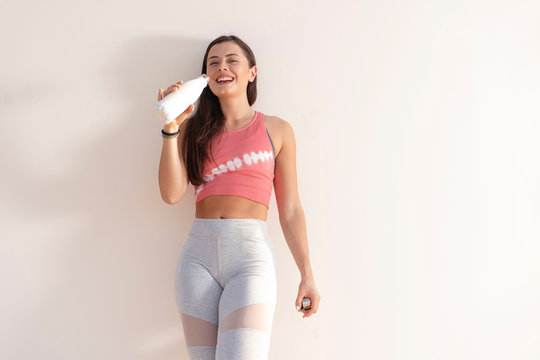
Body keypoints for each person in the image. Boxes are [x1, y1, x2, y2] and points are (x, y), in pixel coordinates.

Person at [157, 34, 321, 360]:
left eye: (232, 60)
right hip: (196, 260)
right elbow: (172, 194)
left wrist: (307, 276)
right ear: (206, 77)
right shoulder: (193, 131)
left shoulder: (277, 130)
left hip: (249, 260)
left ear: (252, 72)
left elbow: (289, 210)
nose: (222, 67)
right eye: (213, 62)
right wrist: (170, 127)